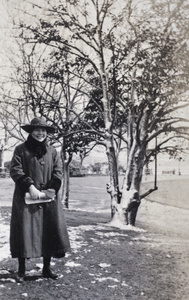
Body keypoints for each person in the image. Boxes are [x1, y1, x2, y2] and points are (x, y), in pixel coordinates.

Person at [9, 117, 70, 282]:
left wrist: (51, 189)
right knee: (24, 232)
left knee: (48, 230)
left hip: (48, 199)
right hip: (25, 198)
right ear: (31, 131)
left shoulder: (52, 151)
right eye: (37, 130)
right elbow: (15, 170)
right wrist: (30, 186)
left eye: (43, 130)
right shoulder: (20, 150)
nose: (40, 133)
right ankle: (21, 270)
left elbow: (58, 171)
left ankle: (46, 268)